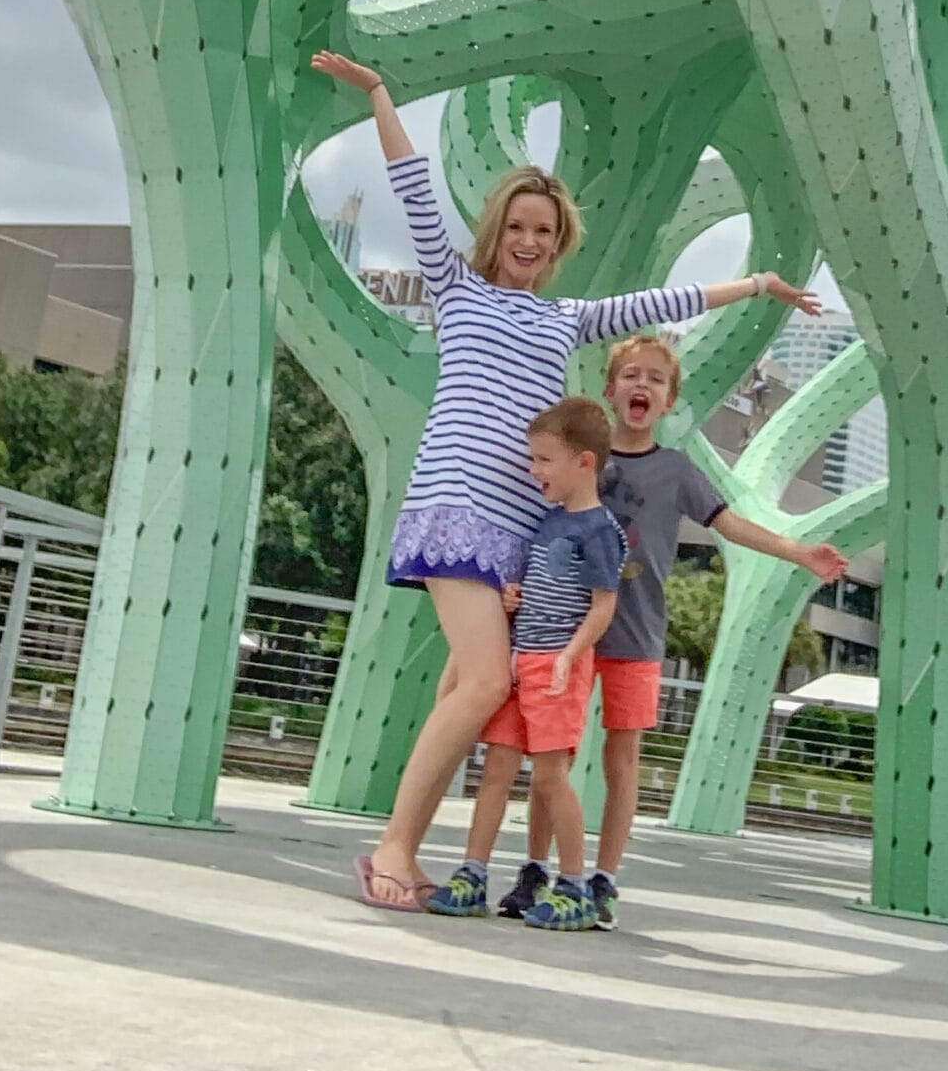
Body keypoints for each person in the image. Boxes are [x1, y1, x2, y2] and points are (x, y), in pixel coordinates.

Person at [311, 50, 820, 910]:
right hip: (457, 509)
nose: (529, 242)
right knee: (483, 683)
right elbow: (413, 187)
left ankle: (405, 846)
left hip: (521, 534)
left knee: (459, 688)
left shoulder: (566, 318)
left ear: (558, 244)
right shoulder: (457, 288)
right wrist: (379, 97)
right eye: (518, 226)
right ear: (497, 231)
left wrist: (759, 284)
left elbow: (663, 304)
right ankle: (393, 849)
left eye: (544, 232)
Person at [492, 331, 853, 929]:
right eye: (632, 374)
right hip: (565, 633)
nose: (642, 385)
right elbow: (537, 525)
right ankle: (537, 869)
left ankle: (602, 879)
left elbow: (731, 524)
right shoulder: (584, 463)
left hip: (635, 634)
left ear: (669, 401)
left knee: (622, 757)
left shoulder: (677, 471)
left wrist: (798, 552)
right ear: (611, 391)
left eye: (656, 379)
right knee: (552, 756)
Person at [429, 395, 625, 931]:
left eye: (543, 460)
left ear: (583, 462)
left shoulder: (600, 531)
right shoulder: (550, 522)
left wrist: (568, 657)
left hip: (556, 668)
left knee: (549, 777)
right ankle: (473, 872)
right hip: (522, 661)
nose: (533, 469)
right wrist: (517, 599)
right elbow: (543, 585)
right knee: (495, 769)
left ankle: (576, 885)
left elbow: (604, 606)